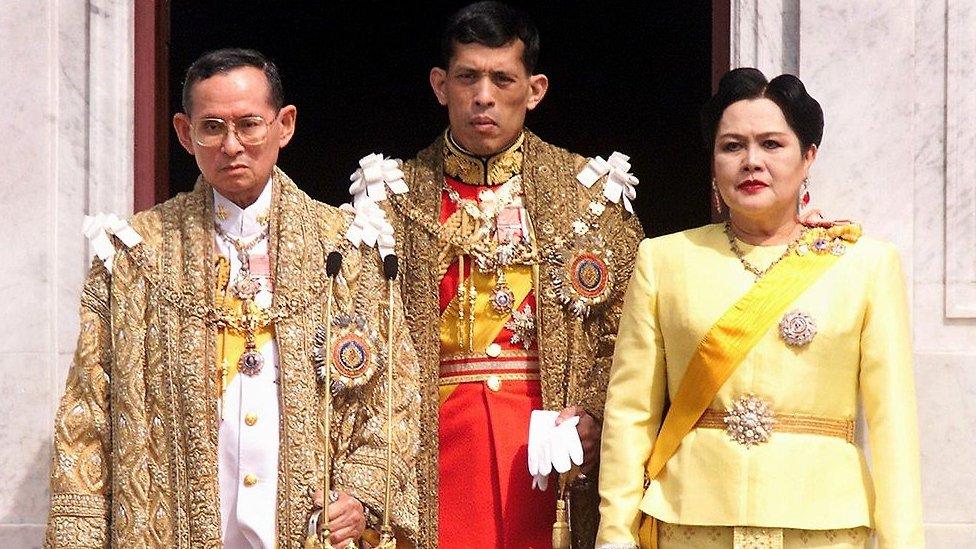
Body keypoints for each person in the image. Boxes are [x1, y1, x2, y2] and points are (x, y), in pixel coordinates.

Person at [44, 48, 420, 549]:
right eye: (213, 127)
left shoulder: (347, 246)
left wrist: (360, 494)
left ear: (284, 125)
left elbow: (395, 392)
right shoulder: (136, 254)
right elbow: (87, 417)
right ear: (184, 132)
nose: (232, 145)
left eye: (250, 124)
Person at [596, 67, 924, 549]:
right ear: (712, 162)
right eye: (732, 146)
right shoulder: (664, 259)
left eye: (772, 144)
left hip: (822, 525)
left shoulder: (866, 264)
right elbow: (630, 414)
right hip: (691, 519)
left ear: (808, 156)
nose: (751, 161)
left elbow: (893, 424)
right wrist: (615, 536)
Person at [360, 2, 644, 547]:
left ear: (534, 89)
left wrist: (594, 415)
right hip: (431, 458)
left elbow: (632, 334)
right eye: (468, 77)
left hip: (548, 461)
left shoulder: (590, 195)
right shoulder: (389, 198)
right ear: (440, 85)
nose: (483, 95)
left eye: (502, 79)